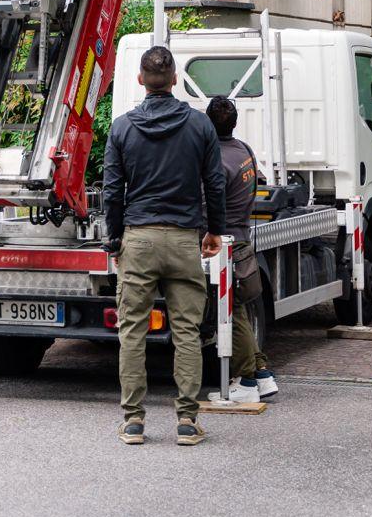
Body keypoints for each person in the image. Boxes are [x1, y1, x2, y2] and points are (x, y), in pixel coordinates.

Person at [103, 44, 226, 447]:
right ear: (174, 79)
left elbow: (112, 190)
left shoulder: (122, 127)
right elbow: (215, 183)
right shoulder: (200, 126)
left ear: (141, 80)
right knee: (187, 331)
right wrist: (215, 231)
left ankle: (134, 421)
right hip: (183, 240)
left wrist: (114, 239)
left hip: (138, 239)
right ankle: (188, 421)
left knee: (132, 332)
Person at [204, 95, 279, 404]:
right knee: (242, 308)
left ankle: (247, 379)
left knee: (231, 311)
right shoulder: (244, 151)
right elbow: (258, 182)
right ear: (234, 123)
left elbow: (209, 206)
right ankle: (261, 373)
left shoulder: (215, 162)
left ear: (207, 124)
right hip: (243, 237)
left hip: (225, 244)